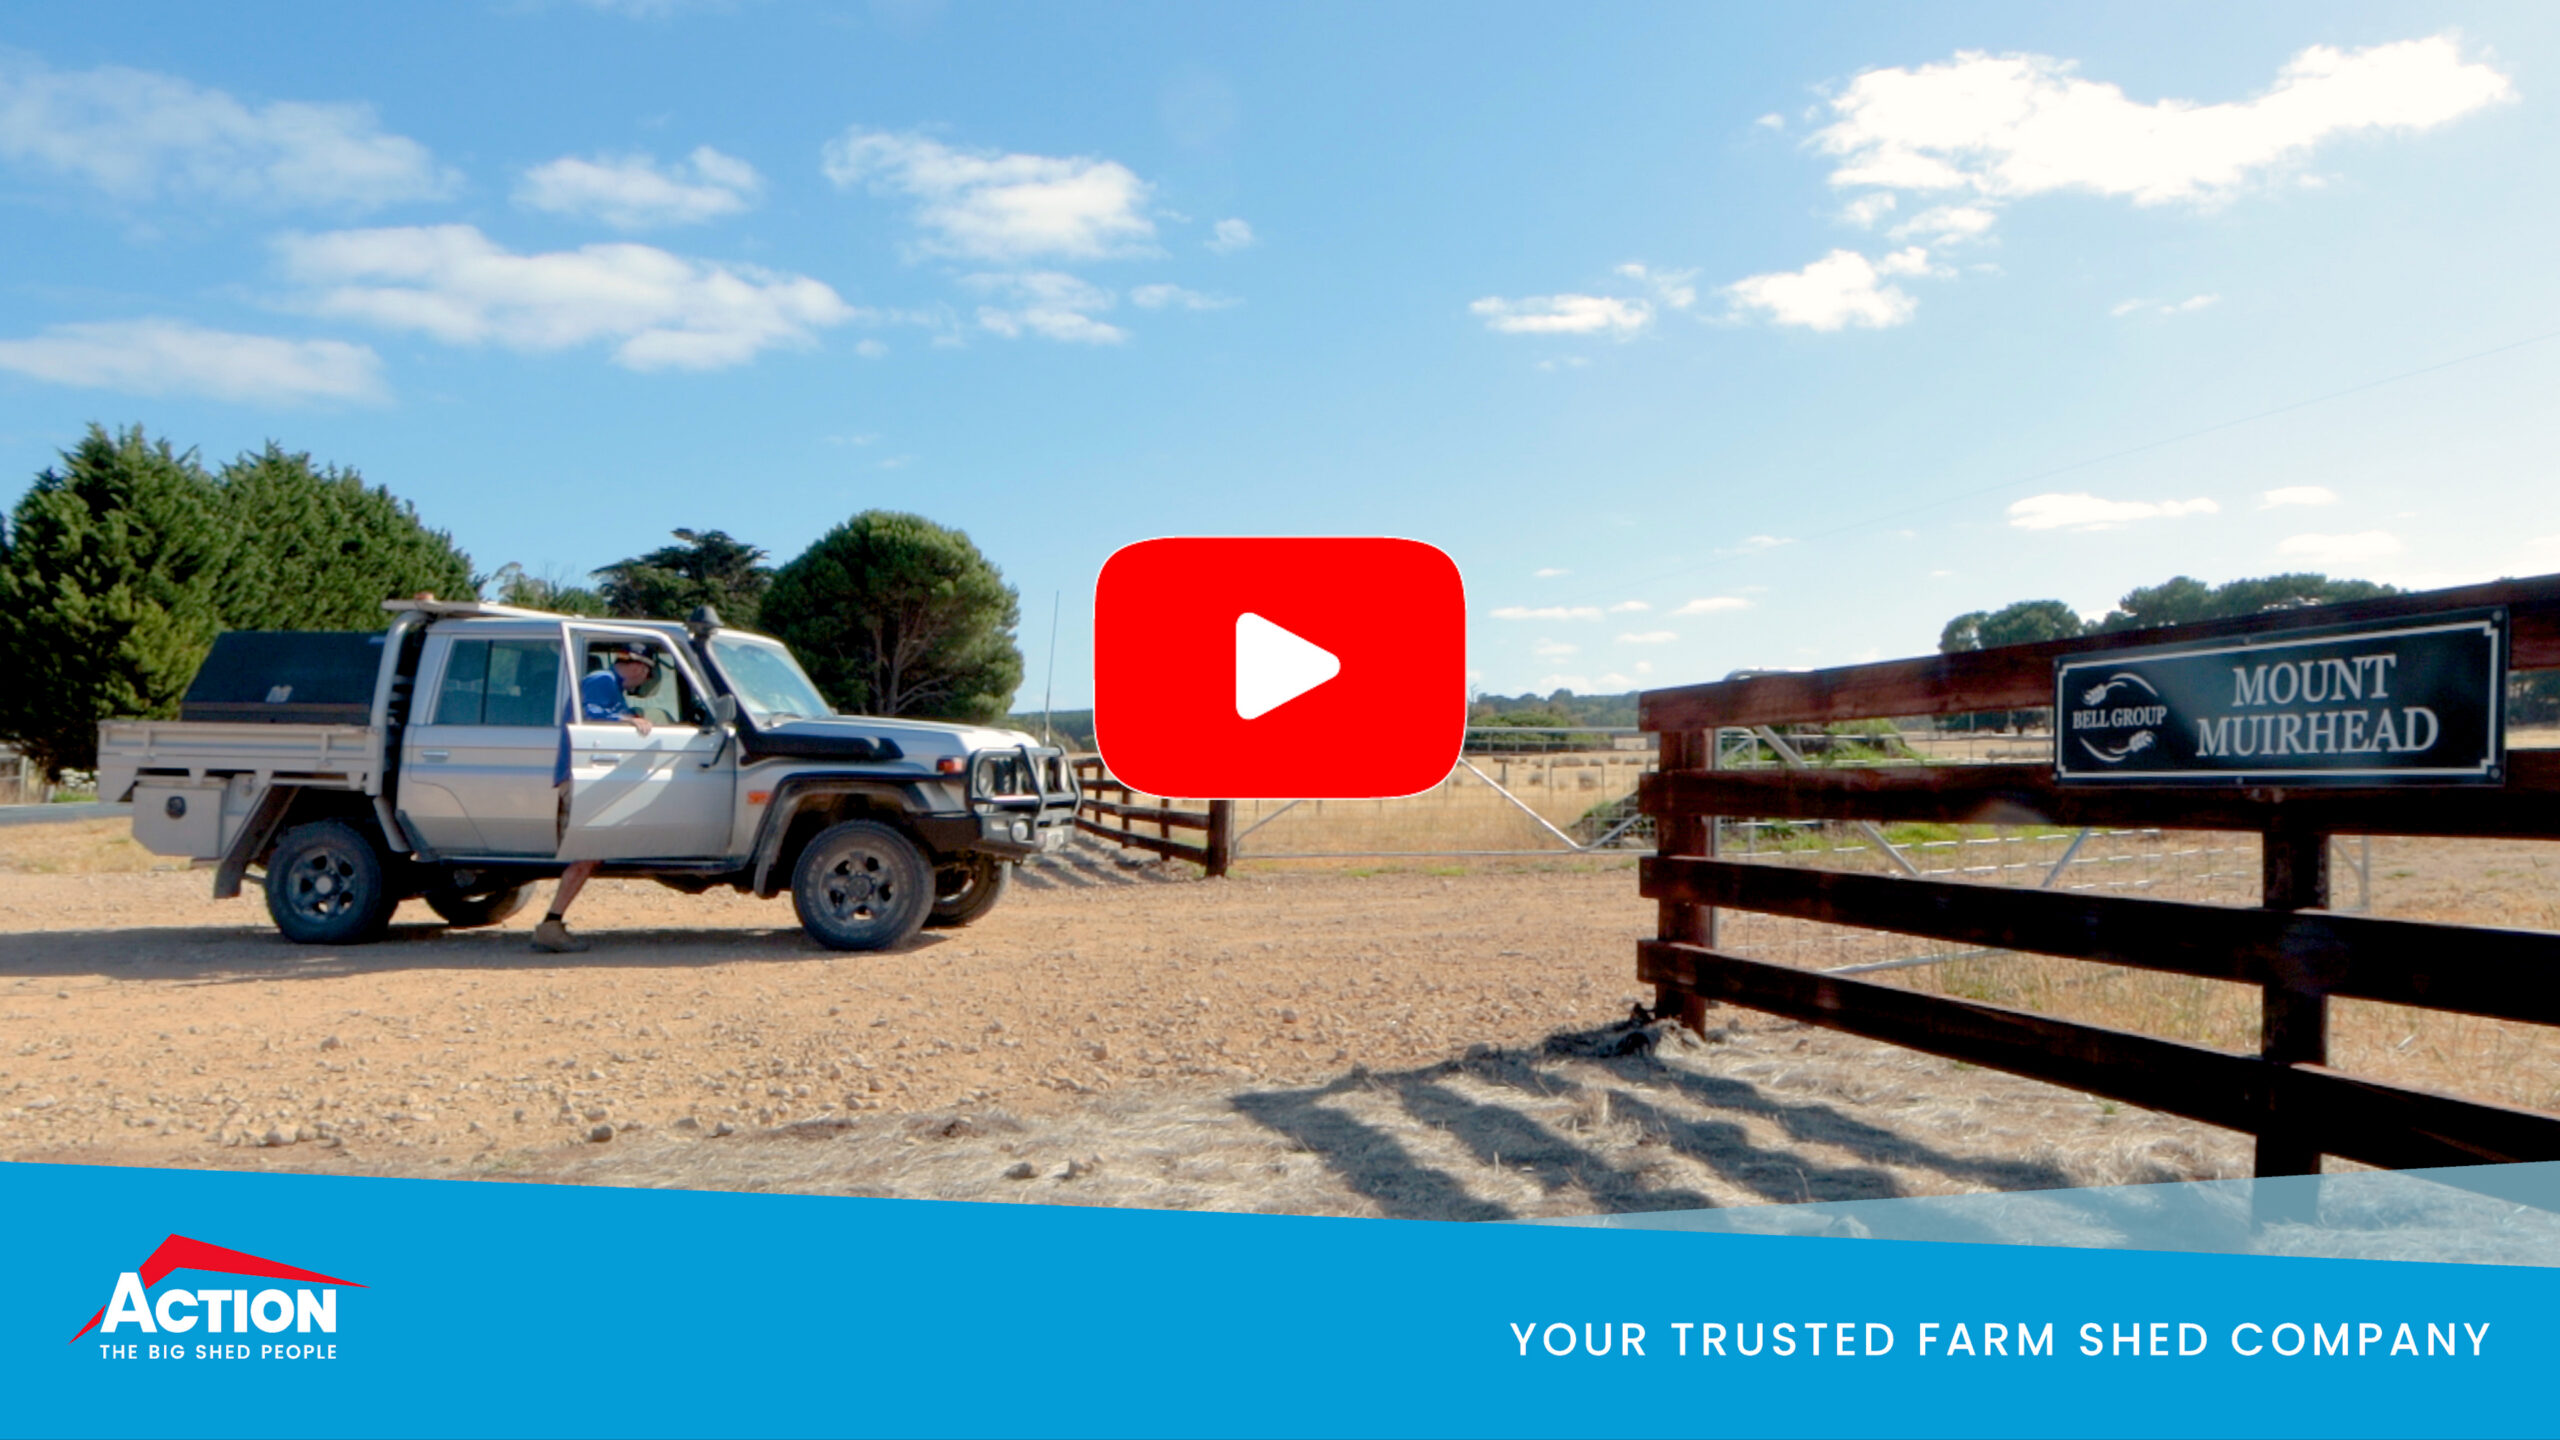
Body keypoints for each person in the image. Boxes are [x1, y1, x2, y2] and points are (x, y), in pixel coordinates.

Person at [530, 649, 656, 953]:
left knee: (590, 854)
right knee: (587, 853)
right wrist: (628, 720)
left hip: (582, 775)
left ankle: (552, 923)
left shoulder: (610, 686)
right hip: (579, 775)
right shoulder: (602, 680)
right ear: (639, 667)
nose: (645, 680)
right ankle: (551, 925)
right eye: (648, 673)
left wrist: (630, 715)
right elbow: (589, 715)